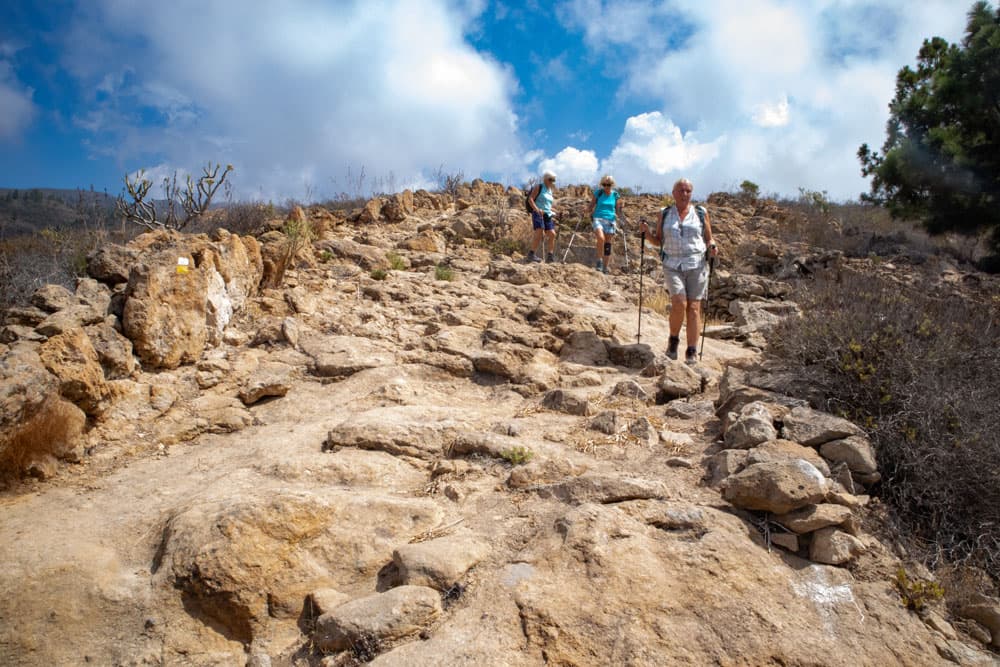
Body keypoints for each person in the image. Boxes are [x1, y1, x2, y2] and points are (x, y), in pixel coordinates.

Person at [640, 178, 718, 364]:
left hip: (697, 264)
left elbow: (709, 237)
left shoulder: (700, 213)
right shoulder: (665, 213)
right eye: (681, 190)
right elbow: (658, 241)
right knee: (679, 303)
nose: (685, 194)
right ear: (673, 193)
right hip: (672, 264)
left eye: (688, 191)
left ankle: (691, 351)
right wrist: (647, 233)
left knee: (694, 307)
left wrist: (713, 245)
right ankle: (673, 340)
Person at [588, 175, 623, 274]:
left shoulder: (615, 195)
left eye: (608, 185)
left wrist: (621, 213)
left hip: (610, 220)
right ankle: (599, 261)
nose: (606, 187)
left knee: (608, 244)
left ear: (612, 185)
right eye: (604, 184)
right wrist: (587, 209)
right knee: (601, 238)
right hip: (598, 218)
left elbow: (618, 210)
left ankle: (605, 267)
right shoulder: (598, 193)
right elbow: (591, 205)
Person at [526, 171, 557, 263]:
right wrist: (536, 209)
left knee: (552, 234)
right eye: (550, 179)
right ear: (545, 179)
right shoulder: (539, 187)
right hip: (538, 213)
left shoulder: (550, 191)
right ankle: (531, 254)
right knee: (539, 231)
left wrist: (557, 212)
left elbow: (548, 206)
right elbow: (530, 199)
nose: (552, 182)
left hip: (548, 214)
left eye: (554, 180)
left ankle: (550, 256)